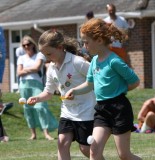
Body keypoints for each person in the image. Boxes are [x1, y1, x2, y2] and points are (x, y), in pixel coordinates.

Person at [65, 18, 141, 160]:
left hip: (119, 109)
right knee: (94, 151)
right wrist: (74, 91)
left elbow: (135, 82)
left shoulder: (115, 61)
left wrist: (118, 91)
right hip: (101, 110)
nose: (84, 46)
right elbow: (89, 84)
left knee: (124, 155)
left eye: (86, 42)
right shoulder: (93, 61)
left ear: (99, 40)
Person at [27, 29, 96, 160]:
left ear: (60, 47)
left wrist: (77, 90)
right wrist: (37, 98)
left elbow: (96, 80)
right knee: (62, 143)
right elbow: (48, 93)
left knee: (86, 149)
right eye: (44, 55)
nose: (47, 58)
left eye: (49, 54)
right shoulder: (51, 69)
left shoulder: (78, 62)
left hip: (86, 112)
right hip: (67, 112)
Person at [17, 35, 58, 140]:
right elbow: (18, 72)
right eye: (24, 45)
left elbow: (37, 68)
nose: (26, 46)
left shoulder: (39, 55)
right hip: (23, 85)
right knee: (27, 108)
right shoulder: (21, 58)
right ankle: (33, 134)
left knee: (40, 107)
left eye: (28, 44)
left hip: (37, 83)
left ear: (32, 44)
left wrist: (25, 70)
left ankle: (46, 133)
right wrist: (29, 70)